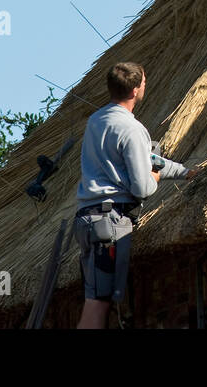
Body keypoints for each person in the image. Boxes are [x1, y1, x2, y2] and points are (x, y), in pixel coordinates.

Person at [74, 61, 193, 329]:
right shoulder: (132, 129)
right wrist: (155, 178)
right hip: (110, 223)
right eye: (144, 83)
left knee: (96, 296)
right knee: (98, 302)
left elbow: (146, 158)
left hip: (87, 218)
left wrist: (184, 172)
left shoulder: (96, 121)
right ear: (135, 90)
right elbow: (142, 187)